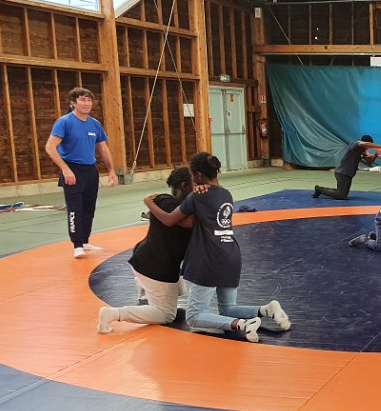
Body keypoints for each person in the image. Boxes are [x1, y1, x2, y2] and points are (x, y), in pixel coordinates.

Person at [144, 152, 291, 343]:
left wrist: (149, 202)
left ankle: (244, 324)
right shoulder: (226, 194)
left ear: (198, 175)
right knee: (228, 308)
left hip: (209, 259)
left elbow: (169, 220)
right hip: (231, 255)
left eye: (192, 175)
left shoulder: (198, 196)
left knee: (194, 316)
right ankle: (266, 310)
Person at [98, 168, 194, 333]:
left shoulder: (164, 200)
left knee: (181, 289)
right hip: (155, 269)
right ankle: (113, 314)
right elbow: (177, 220)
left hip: (143, 258)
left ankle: (142, 286)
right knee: (166, 314)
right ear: (184, 186)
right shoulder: (176, 209)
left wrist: (149, 201)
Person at [44, 87, 119, 258]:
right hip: (72, 169)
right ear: (73, 102)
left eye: (89, 100)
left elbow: (103, 148)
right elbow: (50, 147)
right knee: (75, 209)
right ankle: (77, 245)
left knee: (89, 208)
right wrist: (65, 169)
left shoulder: (95, 124)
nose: (87, 103)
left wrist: (111, 170)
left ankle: (85, 240)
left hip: (90, 170)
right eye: (82, 100)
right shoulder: (64, 122)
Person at [313, 135, 381, 200]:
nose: (368, 148)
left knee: (342, 194)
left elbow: (370, 161)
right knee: (341, 195)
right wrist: (378, 146)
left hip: (349, 174)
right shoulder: (355, 145)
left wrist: (376, 154)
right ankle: (319, 189)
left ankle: (321, 190)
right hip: (342, 172)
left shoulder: (362, 151)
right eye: (368, 146)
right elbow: (363, 144)